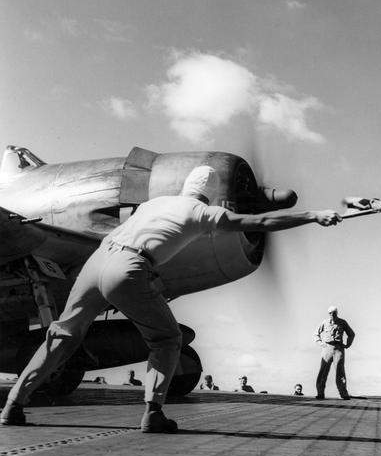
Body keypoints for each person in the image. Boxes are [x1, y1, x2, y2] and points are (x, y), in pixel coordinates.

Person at [0, 165, 341, 432]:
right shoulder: (202, 213)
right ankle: (153, 413)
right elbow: (261, 220)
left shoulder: (155, 203)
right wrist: (312, 215)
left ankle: (14, 404)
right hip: (129, 266)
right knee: (166, 338)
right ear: (209, 196)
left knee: (61, 335)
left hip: (96, 261)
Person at [314, 305, 355, 400]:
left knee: (340, 372)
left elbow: (351, 334)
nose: (332, 314)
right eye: (330, 313)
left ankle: (344, 394)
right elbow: (316, 334)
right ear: (328, 314)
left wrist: (348, 345)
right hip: (327, 347)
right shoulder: (324, 323)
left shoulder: (342, 322)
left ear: (337, 313)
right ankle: (320, 393)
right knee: (323, 370)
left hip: (339, 348)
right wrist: (321, 343)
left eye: (334, 313)